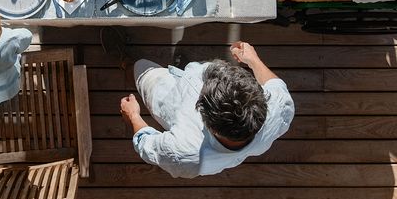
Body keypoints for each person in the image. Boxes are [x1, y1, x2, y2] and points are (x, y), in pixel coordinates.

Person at [117, 42, 294, 179]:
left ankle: (126, 64)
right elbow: (276, 86)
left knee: (141, 69)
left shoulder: (186, 153)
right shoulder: (278, 109)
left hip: (166, 97)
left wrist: (132, 115)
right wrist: (253, 60)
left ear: (209, 124)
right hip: (183, 87)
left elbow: (147, 145)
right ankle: (176, 67)